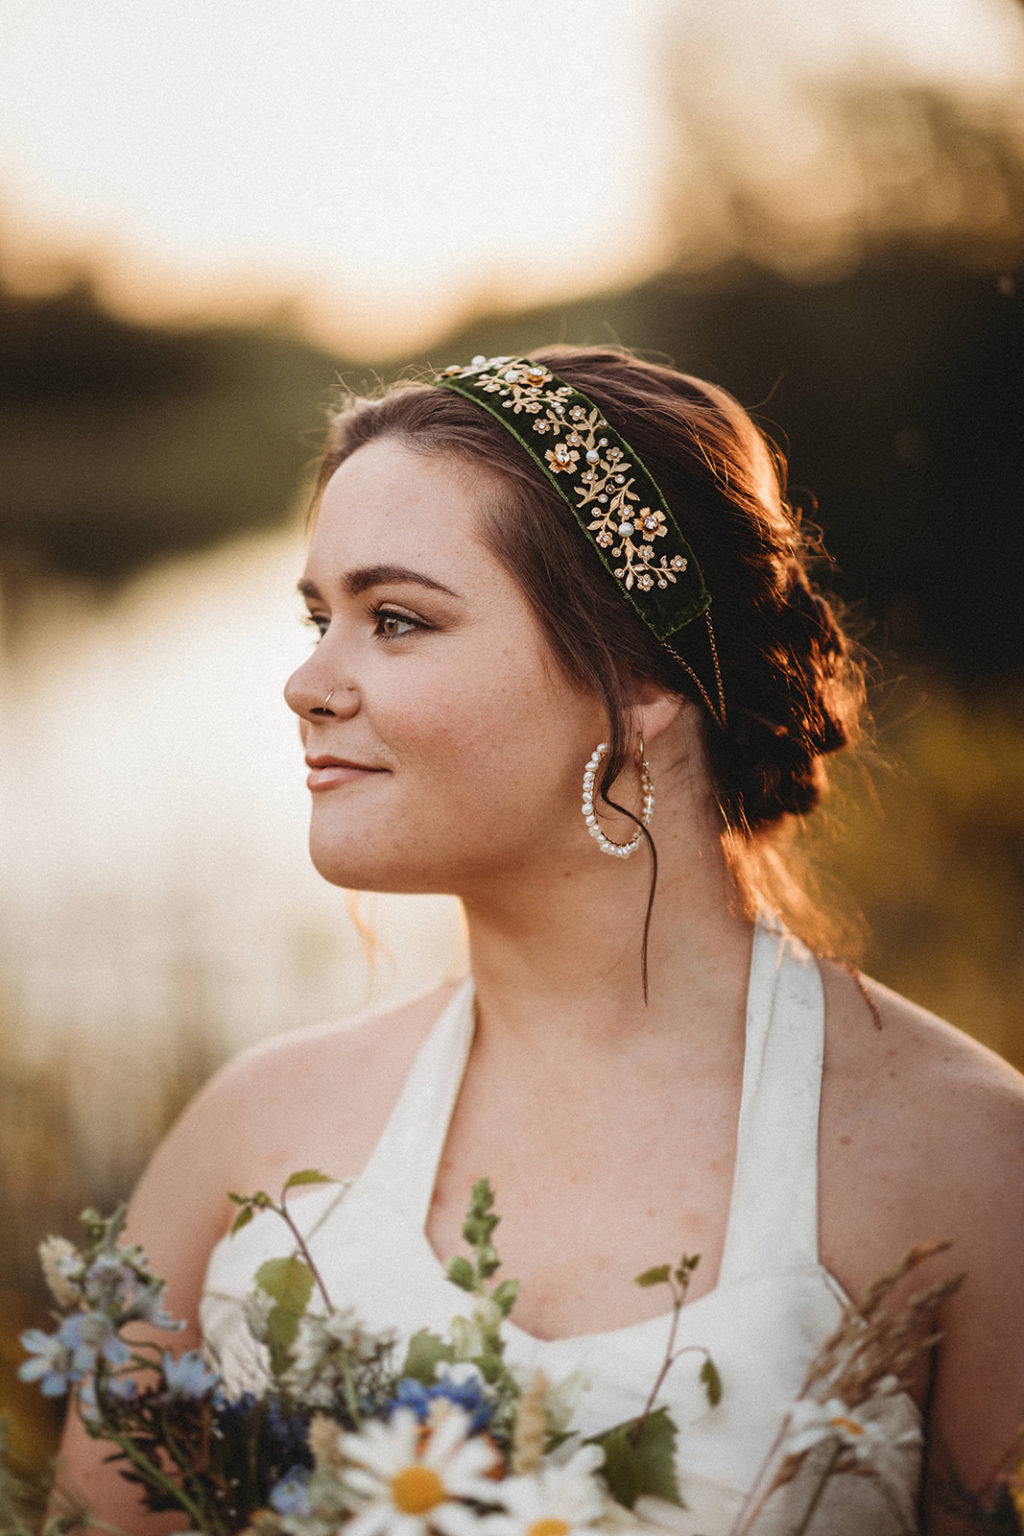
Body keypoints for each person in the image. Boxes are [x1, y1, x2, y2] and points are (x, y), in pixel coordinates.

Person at [58, 347, 1024, 1534]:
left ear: (644, 675)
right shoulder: (254, 1135)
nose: (305, 682)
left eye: (395, 619)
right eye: (319, 618)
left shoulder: (964, 1164)